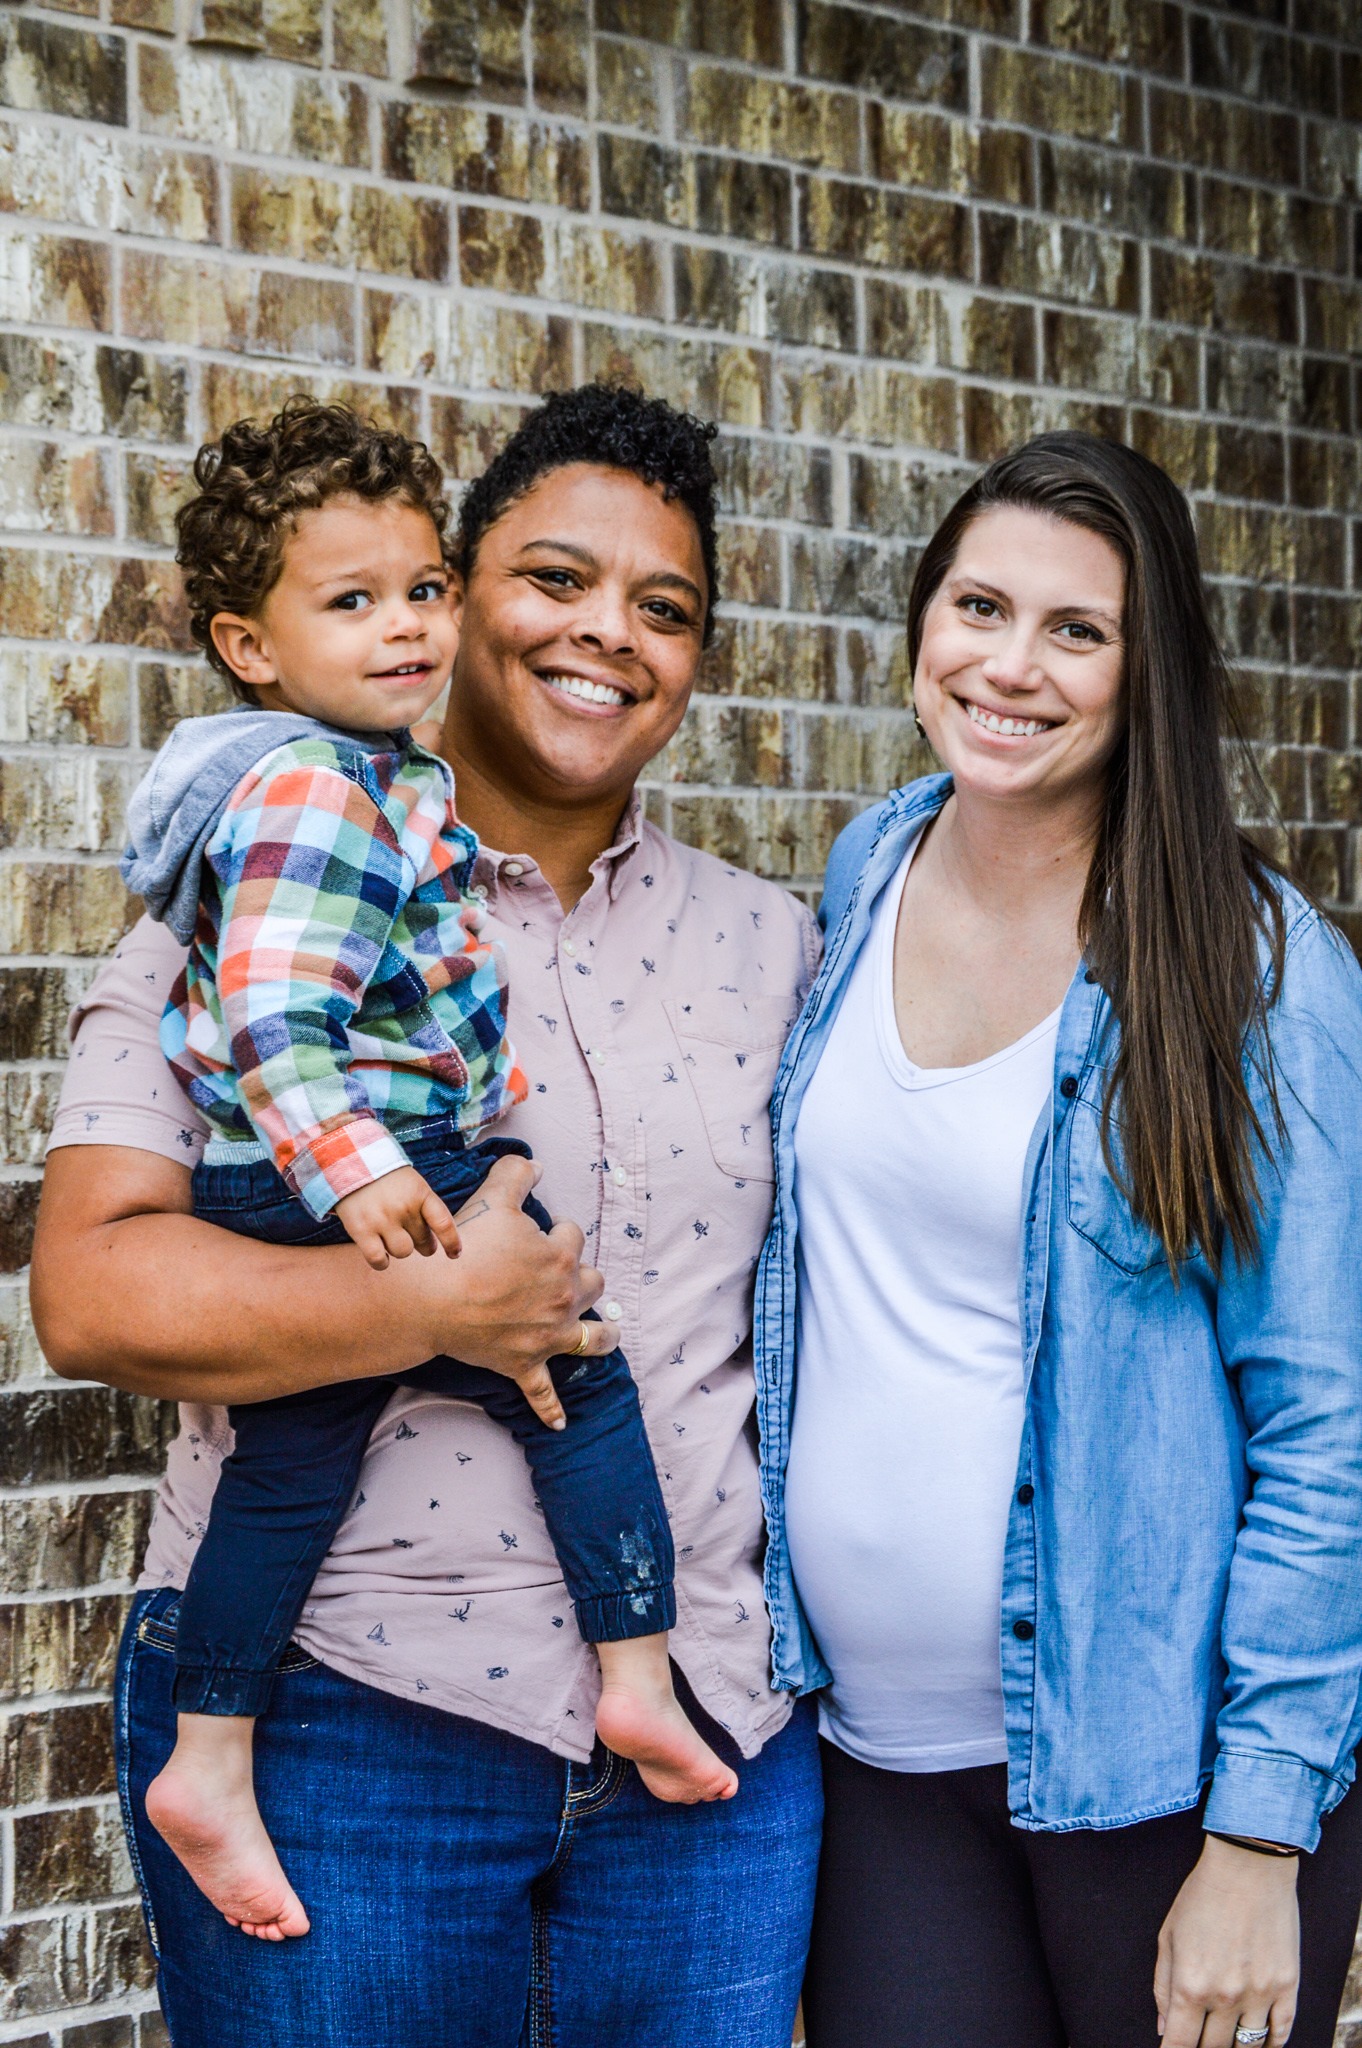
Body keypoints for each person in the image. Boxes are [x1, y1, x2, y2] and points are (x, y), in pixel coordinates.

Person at [32, 383, 823, 2048]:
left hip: (707, 1751)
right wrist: (428, 1309)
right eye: (551, 578)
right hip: (339, 1731)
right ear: (460, 593)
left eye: (664, 609)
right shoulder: (267, 878)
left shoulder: (777, 947)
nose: (605, 634)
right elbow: (93, 1294)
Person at [754, 432, 1362, 2048]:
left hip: (1155, 1792)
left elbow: (1326, 1424)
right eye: (977, 606)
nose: (1007, 667)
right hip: (879, 1768)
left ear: (1143, 668)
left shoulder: (1258, 972)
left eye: (1073, 631)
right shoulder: (867, 864)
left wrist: (1257, 1840)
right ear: (919, 622)